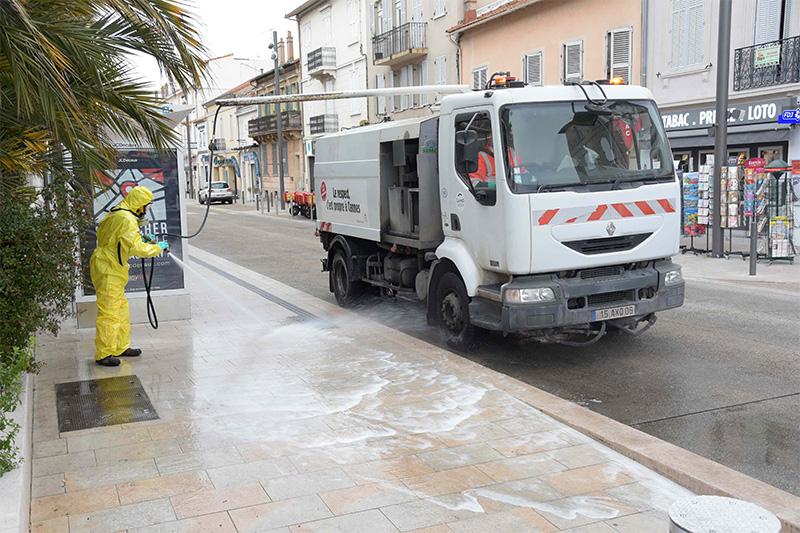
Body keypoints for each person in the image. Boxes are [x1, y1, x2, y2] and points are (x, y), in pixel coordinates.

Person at [90, 186, 169, 367]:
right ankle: (104, 353)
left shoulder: (120, 211)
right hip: (108, 268)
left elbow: (119, 237)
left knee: (121, 309)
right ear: (139, 205)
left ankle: (119, 346)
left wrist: (141, 235)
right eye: (146, 207)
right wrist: (158, 247)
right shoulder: (126, 218)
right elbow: (136, 249)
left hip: (110, 265)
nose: (147, 210)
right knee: (110, 312)